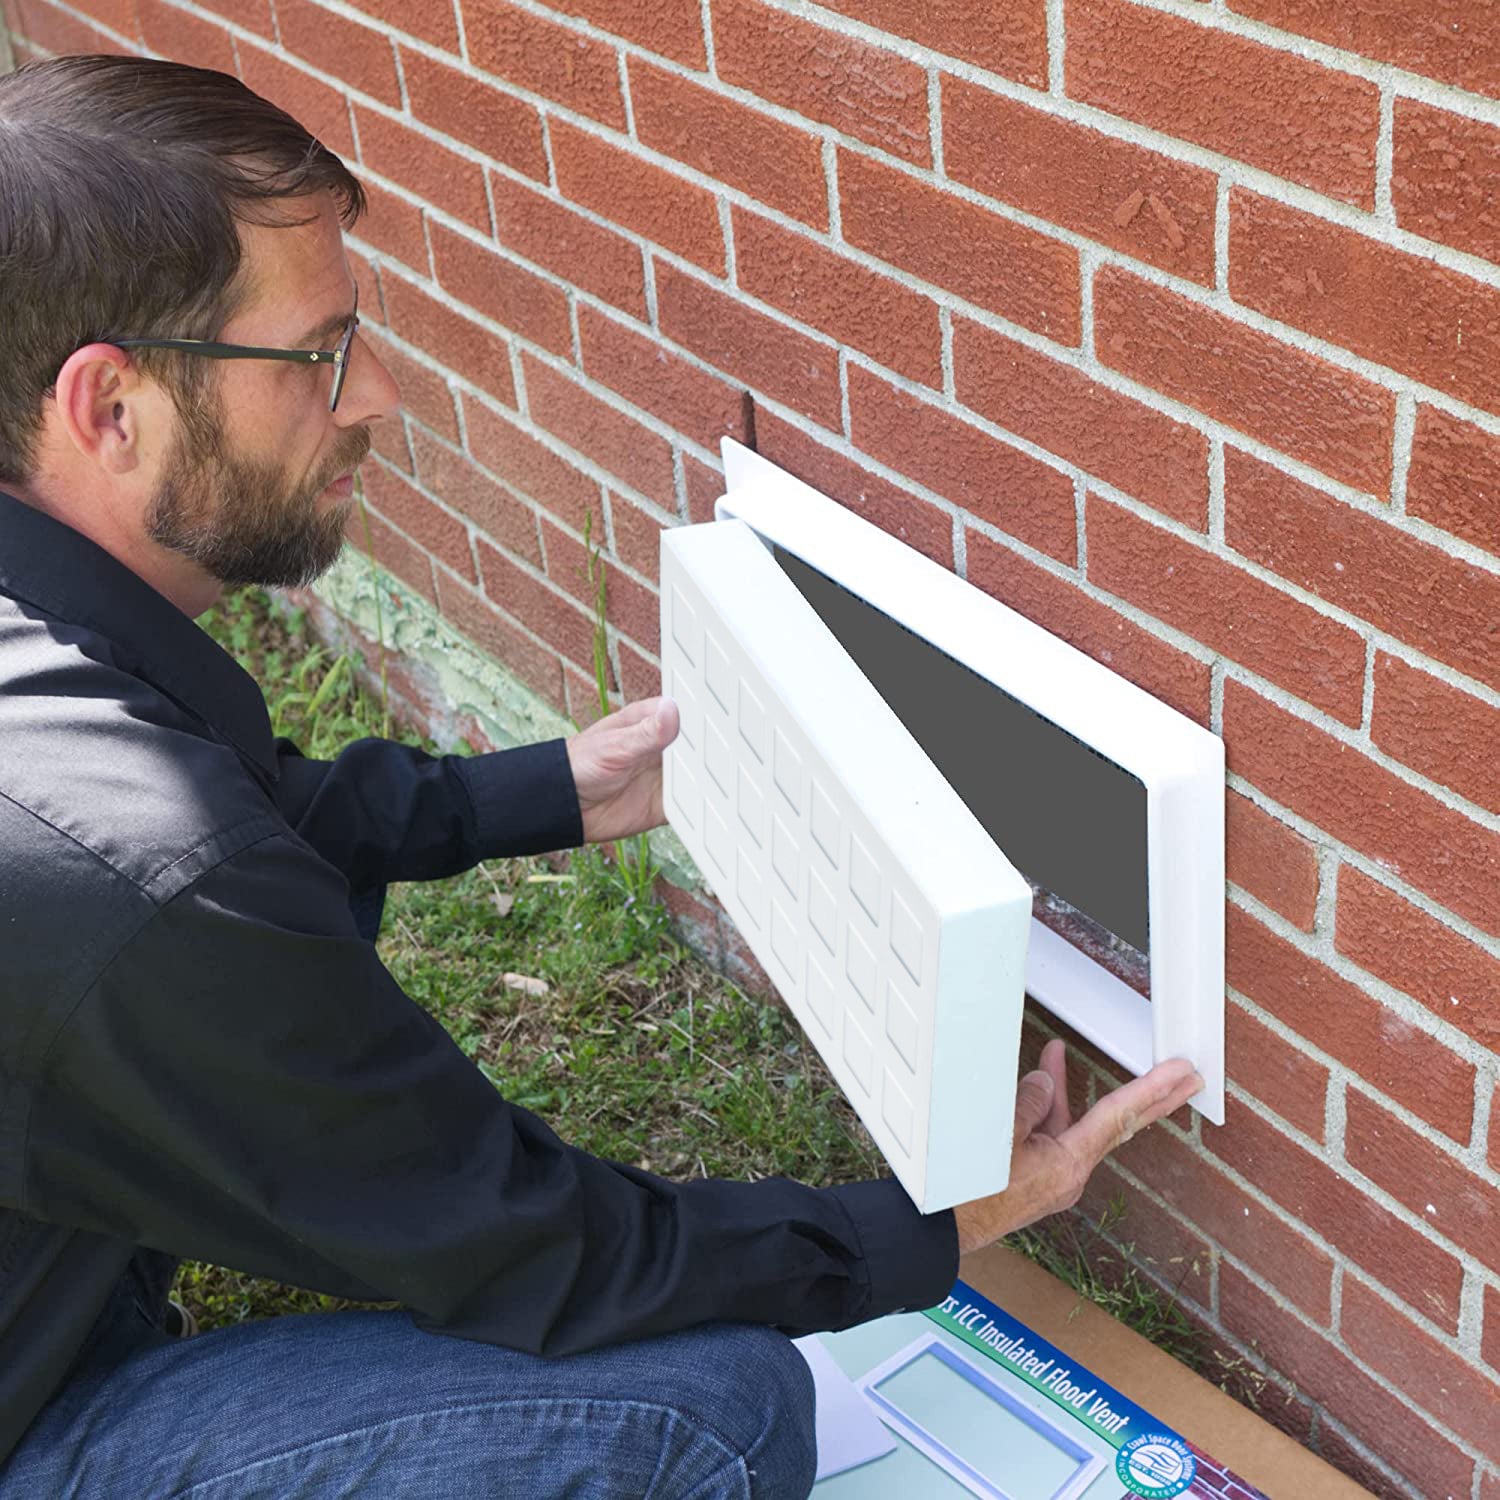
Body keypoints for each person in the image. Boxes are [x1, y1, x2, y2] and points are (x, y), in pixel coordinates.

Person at [0, 54, 1202, 1500]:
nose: (378, 391)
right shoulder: (137, 873)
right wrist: (922, 1235)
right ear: (108, 408)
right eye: (320, 352)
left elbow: (236, 833)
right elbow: (531, 1247)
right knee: (715, 1407)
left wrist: (553, 790)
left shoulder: (68, 699)